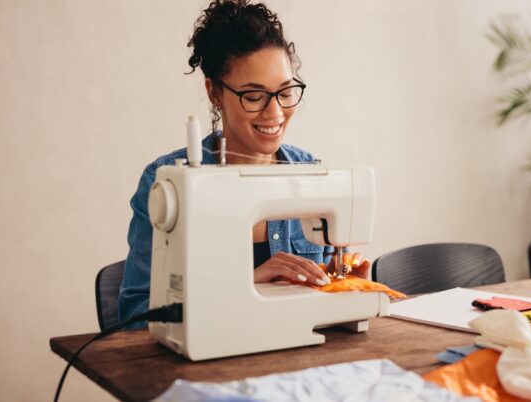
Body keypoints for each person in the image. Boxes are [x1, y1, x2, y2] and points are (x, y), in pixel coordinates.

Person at [118, 0, 369, 328]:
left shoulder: (312, 174)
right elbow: (134, 317)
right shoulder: (166, 183)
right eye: (254, 96)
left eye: (286, 92)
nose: (275, 112)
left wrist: (348, 289)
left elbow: (327, 298)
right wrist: (246, 284)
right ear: (215, 93)